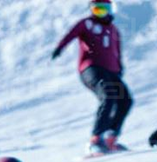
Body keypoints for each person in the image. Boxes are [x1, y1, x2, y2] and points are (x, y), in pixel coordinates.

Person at [52, 0, 133, 154]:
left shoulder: (114, 30)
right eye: (97, 10)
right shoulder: (87, 24)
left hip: (111, 72)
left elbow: (117, 51)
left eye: (104, 10)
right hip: (92, 69)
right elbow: (71, 34)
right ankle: (96, 139)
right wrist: (59, 48)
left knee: (126, 100)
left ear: (111, 10)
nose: (100, 14)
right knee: (108, 97)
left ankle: (110, 137)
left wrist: (119, 68)